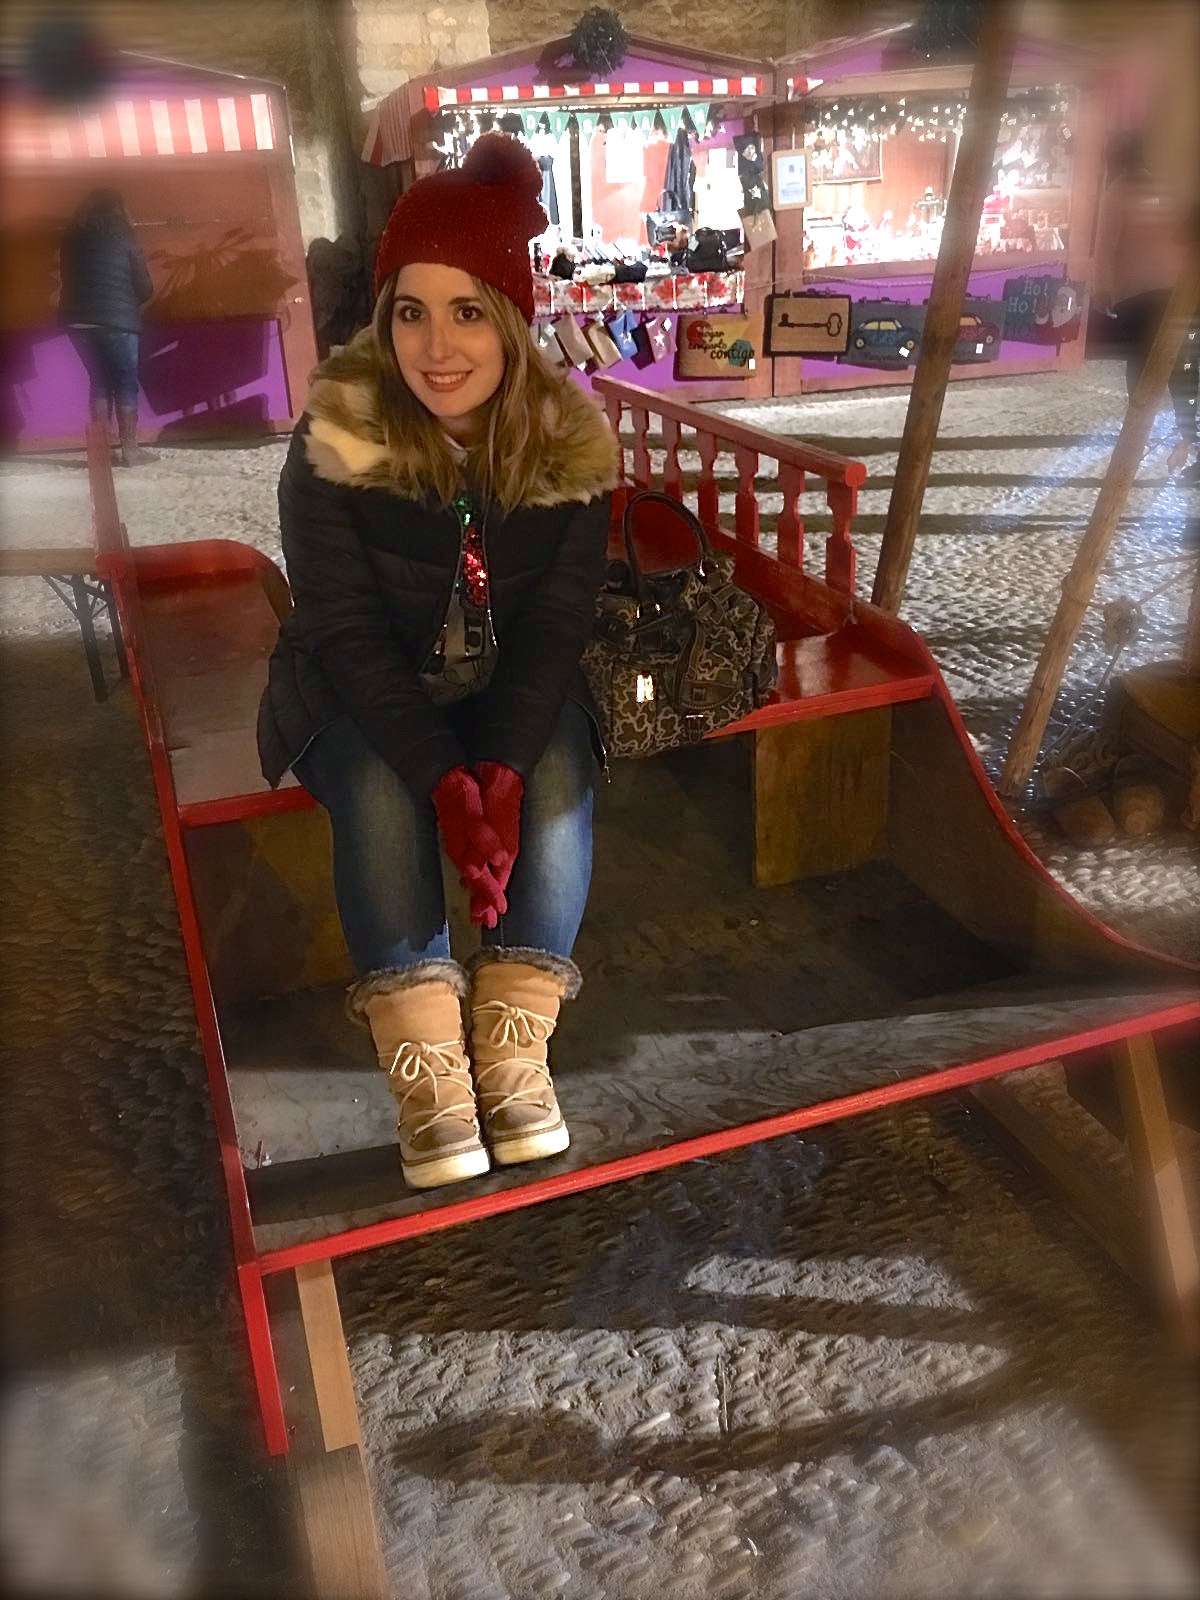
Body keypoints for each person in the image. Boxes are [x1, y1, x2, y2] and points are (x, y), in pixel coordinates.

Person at [256, 135, 618, 1191]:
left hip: (507, 678)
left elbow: (556, 624)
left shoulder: (568, 446)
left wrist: (498, 770)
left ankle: (512, 1053)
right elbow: (342, 629)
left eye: (467, 311)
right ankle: (429, 1076)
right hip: (356, 686)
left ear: (510, 315)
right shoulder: (335, 437)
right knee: (379, 788)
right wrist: (443, 782)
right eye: (410, 311)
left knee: (556, 767)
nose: (436, 345)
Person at [1092, 135, 1194, 479]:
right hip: (1169, 292)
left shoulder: (1121, 189)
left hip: (1142, 294)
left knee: (1146, 363)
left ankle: (1139, 436)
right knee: (1180, 367)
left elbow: (1106, 245)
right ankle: (1184, 436)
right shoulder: (1162, 187)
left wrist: (1103, 289)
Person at [58, 187, 156, 466]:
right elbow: (145, 287)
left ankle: (101, 451)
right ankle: (130, 450)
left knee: (99, 382)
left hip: (78, 320)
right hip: (118, 322)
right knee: (125, 383)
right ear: (119, 210)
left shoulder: (71, 239)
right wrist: (125, 305)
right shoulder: (125, 236)